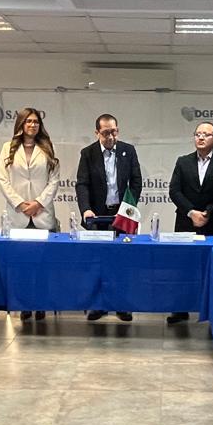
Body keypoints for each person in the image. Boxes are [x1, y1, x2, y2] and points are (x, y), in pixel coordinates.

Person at [166, 121, 213, 325]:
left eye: (206, 134)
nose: (201, 137)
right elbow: (174, 191)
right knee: (183, 266)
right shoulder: (183, 162)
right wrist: (191, 212)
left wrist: (207, 212)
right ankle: (180, 309)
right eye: (198, 134)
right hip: (186, 222)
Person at [75, 112, 142, 322]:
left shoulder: (128, 151)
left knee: (122, 261)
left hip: (121, 214)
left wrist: (128, 209)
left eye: (114, 131)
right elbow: (82, 184)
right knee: (98, 261)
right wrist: (86, 209)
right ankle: (99, 306)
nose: (111, 136)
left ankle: (122, 305)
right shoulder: (88, 153)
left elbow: (136, 181)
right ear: (97, 133)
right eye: (106, 133)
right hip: (97, 214)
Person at [0, 107, 60, 321]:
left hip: (42, 214)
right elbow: (2, 180)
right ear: (21, 124)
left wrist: (38, 203)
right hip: (19, 215)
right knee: (22, 263)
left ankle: (40, 304)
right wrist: (21, 204)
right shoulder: (8, 148)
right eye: (28, 121)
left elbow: (54, 180)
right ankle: (25, 305)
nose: (32, 125)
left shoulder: (47, 147)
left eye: (36, 122)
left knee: (42, 264)